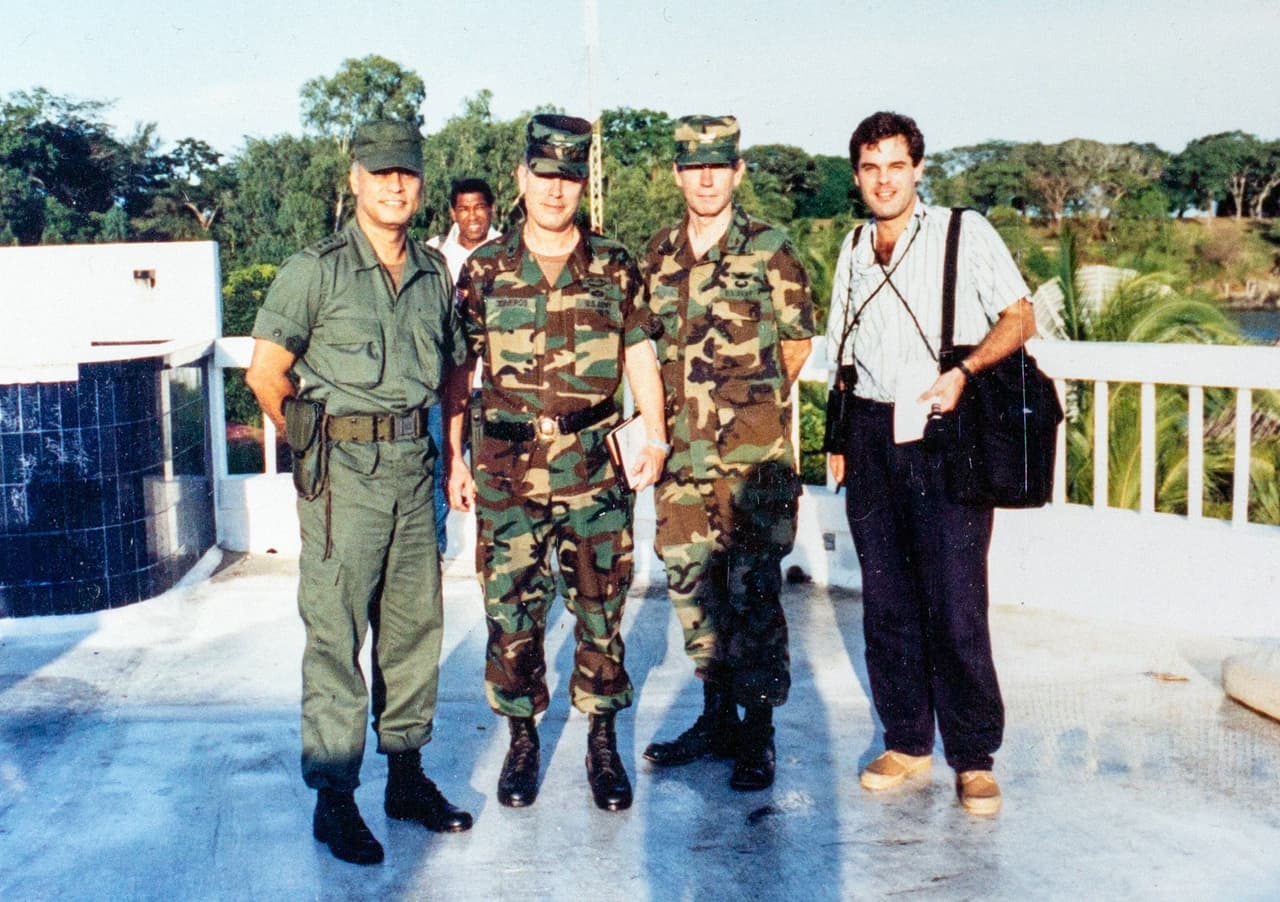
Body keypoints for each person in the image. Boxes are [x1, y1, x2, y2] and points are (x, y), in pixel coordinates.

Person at [245, 120, 472, 865]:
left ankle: (405, 780)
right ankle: (335, 800)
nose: (395, 186)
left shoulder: (435, 272)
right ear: (355, 181)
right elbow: (265, 373)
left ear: (421, 183)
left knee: (412, 631)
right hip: (343, 479)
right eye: (380, 173)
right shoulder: (315, 271)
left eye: (406, 173)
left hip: (414, 467)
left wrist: (452, 459)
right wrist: (312, 445)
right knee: (337, 638)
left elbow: (454, 371)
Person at [443, 114, 668, 812]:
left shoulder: (613, 264)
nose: (555, 190)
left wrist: (656, 436)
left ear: (582, 184)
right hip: (505, 468)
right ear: (522, 178)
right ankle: (522, 738)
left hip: (593, 467)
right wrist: (454, 457)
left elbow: (639, 351)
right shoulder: (485, 269)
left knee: (600, 608)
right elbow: (461, 370)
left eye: (569, 177)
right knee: (511, 611)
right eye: (544, 175)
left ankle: (602, 740)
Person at [826, 111, 1037, 816]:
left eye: (896, 165)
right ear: (857, 176)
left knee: (955, 601)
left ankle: (973, 757)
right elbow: (842, 352)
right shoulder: (853, 245)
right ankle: (907, 740)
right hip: (870, 432)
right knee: (885, 600)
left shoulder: (962, 232)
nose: (884, 180)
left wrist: (965, 371)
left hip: (946, 429)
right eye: (870, 168)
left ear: (918, 169)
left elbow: (1020, 316)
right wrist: (837, 441)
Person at [638, 115, 815, 791]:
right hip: (681, 463)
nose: (706, 179)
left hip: (751, 467)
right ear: (677, 175)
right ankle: (716, 717)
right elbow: (643, 348)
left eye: (718, 165)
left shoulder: (771, 249)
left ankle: (758, 732)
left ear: (738, 171)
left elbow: (796, 344)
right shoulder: (657, 255)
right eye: (694, 167)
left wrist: (748, 410)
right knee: (692, 590)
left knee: (754, 595)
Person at [423, 178, 501, 553]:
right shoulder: (433, 253)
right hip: (444, 386)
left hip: (497, 386)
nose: (472, 216)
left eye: (480, 207)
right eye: (464, 208)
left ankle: (498, 562)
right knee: (439, 468)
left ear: (492, 209)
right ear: (453, 212)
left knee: (499, 478)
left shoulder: (512, 251)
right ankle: (432, 557)